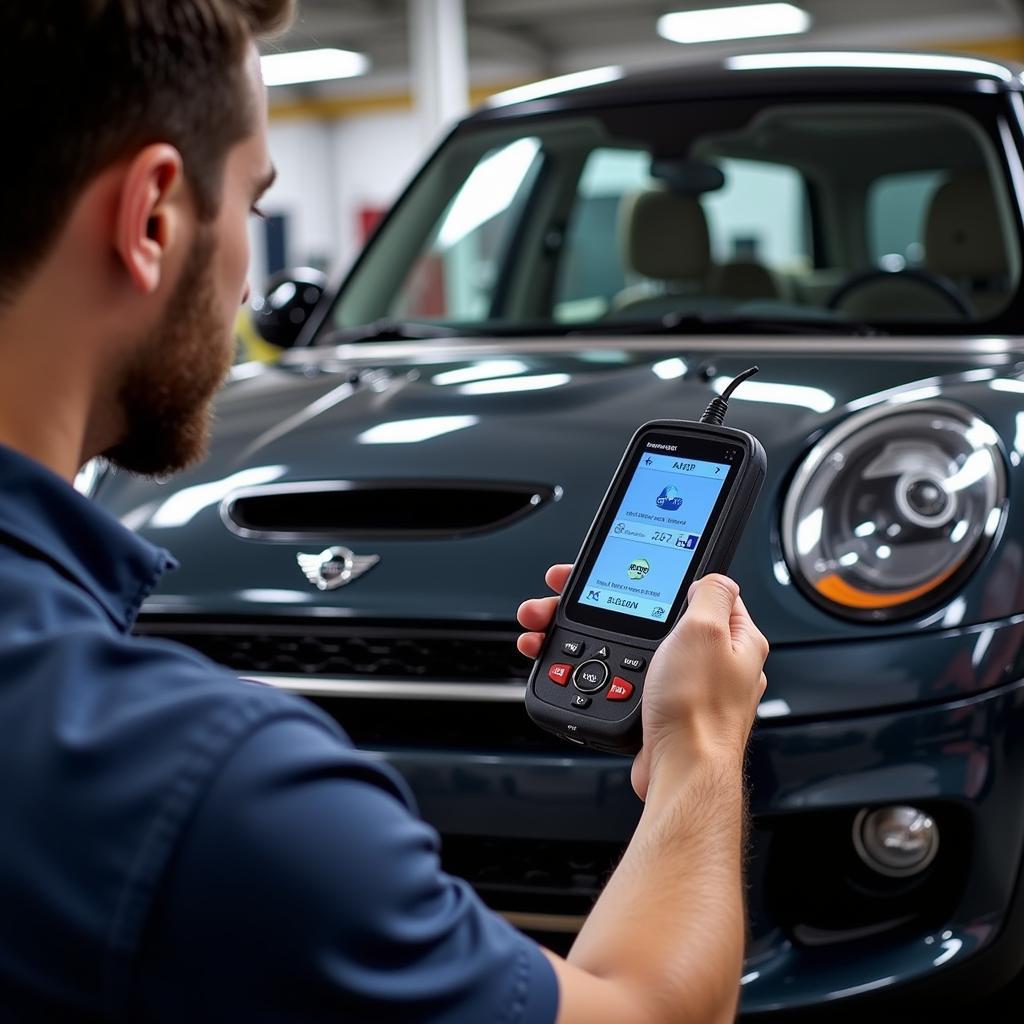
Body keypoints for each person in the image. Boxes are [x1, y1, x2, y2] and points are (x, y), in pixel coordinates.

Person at [0, 2, 769, 1022]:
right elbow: (653, 1013)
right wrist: (700, 748)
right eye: (250, 202)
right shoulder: (214, 792)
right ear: (152, 217)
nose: (244, 283)